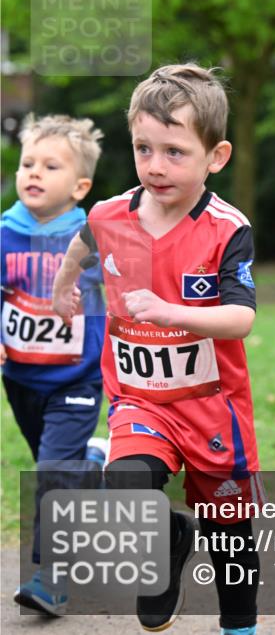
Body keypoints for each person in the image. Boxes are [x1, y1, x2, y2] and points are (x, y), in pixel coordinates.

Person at [52, 64, 262, 635]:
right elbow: (82, 242)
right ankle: (168, 544)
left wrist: (173, 313)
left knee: (229, 527)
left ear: (215, 157)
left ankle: (239, 627)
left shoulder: (225, 228)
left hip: (212, 405)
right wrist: (64, 286)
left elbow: (241, 318)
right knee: (125, 484)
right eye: (144, 148)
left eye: (174, 152)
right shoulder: (110, 214)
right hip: (140, 400)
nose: (155, 166)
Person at [2, 114, 108, 616]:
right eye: (27, 164)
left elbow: (130, 291)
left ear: (80, 185)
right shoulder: (4, 232)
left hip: (78, 380)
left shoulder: (95, 237)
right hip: (21, 378)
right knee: (58, 472)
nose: (33, 173)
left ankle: (53, 577)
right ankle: (91, 468)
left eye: (50, 165)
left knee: (49, 473)